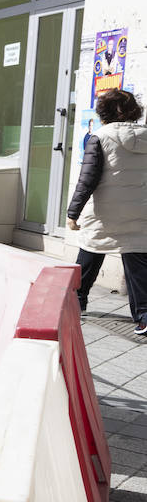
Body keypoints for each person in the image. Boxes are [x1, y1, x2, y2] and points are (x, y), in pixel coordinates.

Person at [66, 87, 147, 332]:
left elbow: (87, 179)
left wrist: (73, 213)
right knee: (138, 265)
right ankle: (143, 316)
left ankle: (76, 304)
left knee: (89, 256)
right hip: (140, 214)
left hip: (104, 213)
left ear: (104, 113)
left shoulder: (100, 137)